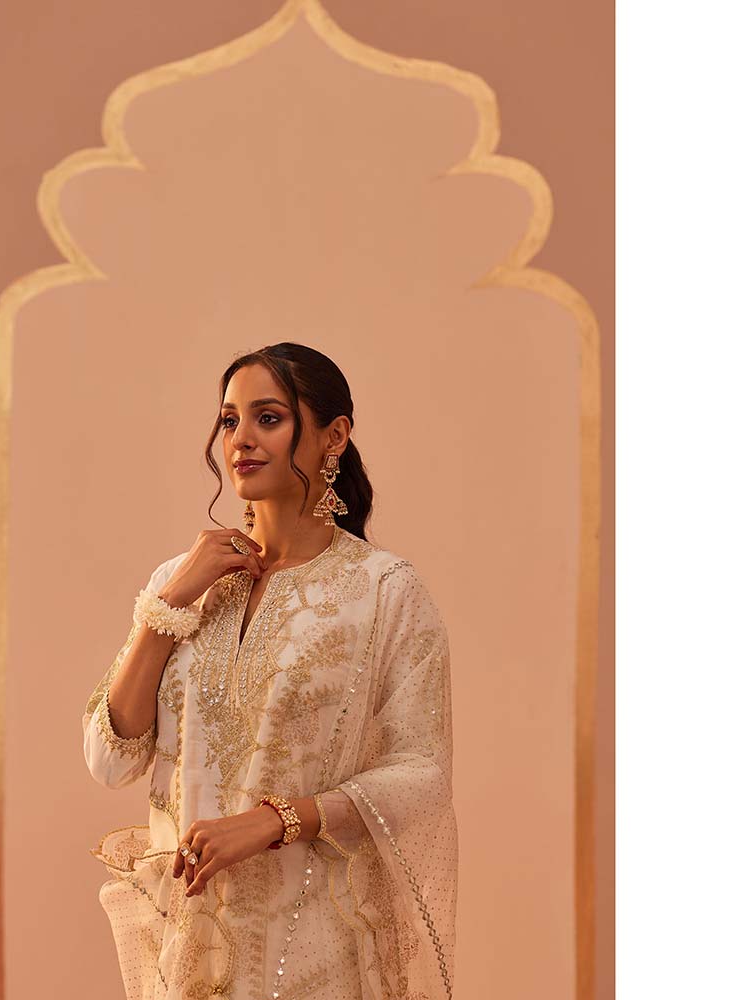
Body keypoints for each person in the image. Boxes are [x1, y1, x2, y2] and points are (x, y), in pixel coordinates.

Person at [82, 343, 458, 999]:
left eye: (269, 418)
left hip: (317, 945)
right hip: (187, 944)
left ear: (334, 436)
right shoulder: (181, 581)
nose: (241, 440)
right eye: (230, 420)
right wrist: (168, 606)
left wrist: (276, 820)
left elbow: (421, 772)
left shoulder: (383, 590)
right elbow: (109, 758)